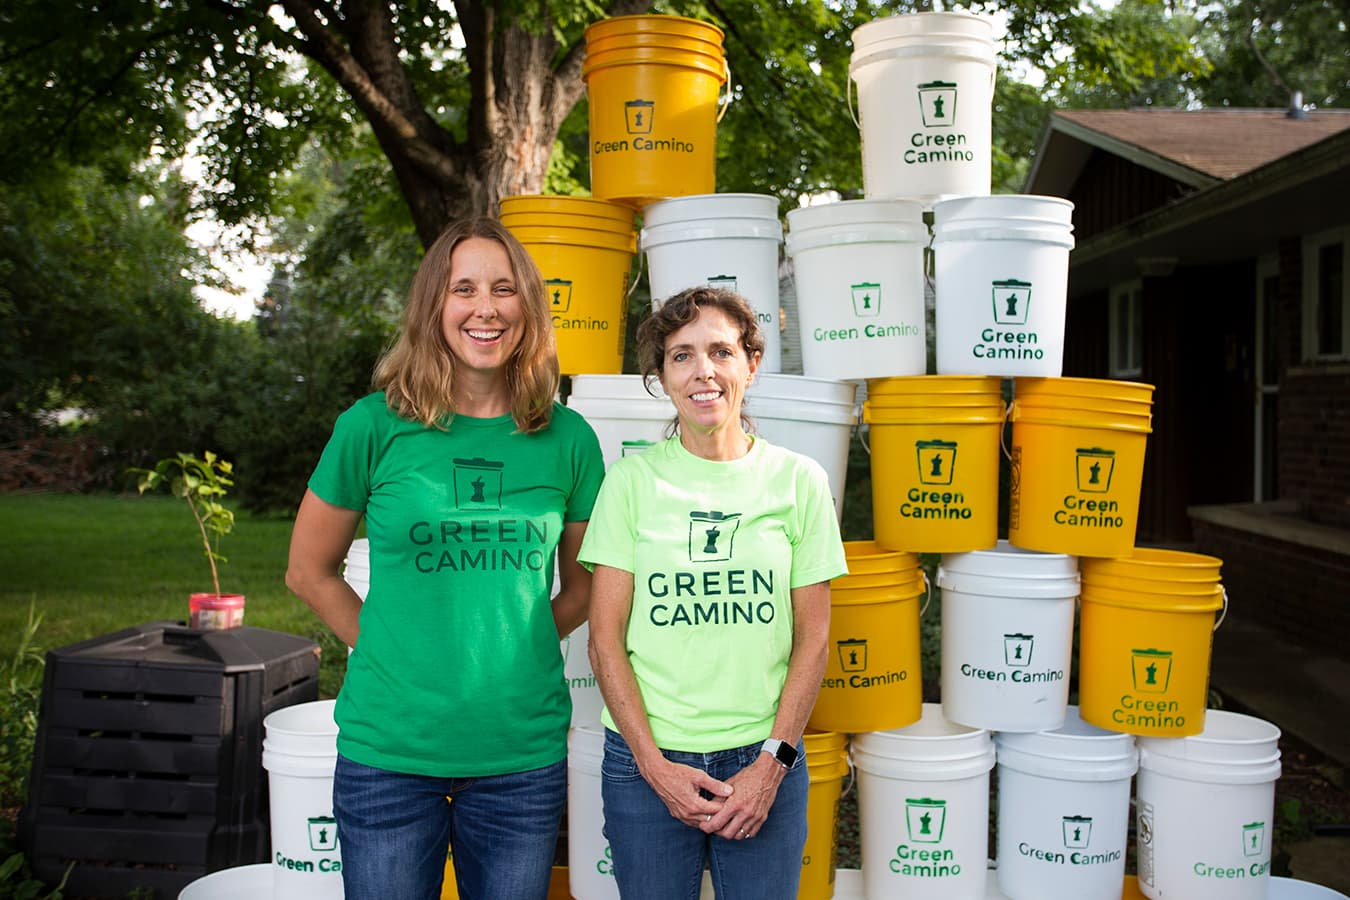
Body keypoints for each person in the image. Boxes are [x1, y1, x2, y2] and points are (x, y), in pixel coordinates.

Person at [285, 217, 604, 900]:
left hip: (519, 755)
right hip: (390, 754)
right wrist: (386, 648)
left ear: (529, 308)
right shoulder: (371, 425)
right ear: (434, 305)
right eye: (463, 289)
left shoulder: (568, 438)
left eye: (503, 289)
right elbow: (308, 570)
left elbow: (583, 588)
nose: (484, 308)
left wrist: (515, 647)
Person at [578, 286, 846, 899]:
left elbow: (814, 638)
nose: (703, 372)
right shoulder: (629, 483)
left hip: (765, 758)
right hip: (647, 759)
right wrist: (652, 765)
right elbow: (603, 641)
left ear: (751, 365)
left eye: (721, 352)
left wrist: (771, 766)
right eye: (681, 355)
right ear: (662, 376)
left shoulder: (799, 481)